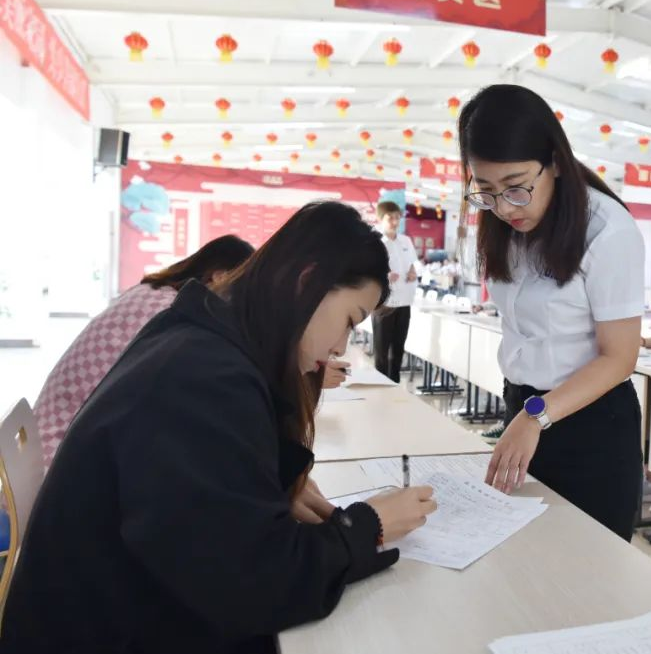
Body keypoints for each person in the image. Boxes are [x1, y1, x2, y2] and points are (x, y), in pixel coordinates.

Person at [0, 202, 437, 653]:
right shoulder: (204, 375)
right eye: (349, 321)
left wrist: (266, 482)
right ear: (306, 281)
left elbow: (207, 517)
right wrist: (367, 525)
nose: (341, 346)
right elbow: (254, 585)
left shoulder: (204, 339)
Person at [459, 84, 645, 542]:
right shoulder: (504, 223)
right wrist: (524, 414)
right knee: (520, 560)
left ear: (556, 162)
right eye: (486, 190)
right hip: (522, 411)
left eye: (516, 186)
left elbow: (619, 358)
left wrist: (536, 416)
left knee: (586, 565)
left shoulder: (607, 231)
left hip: (589, 426)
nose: (503, 207)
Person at [33, 235, 254, 468]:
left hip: (46, 441)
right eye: (240, 291)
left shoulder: (151, 293)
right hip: (62, 457)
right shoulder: (172, 312)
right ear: (220, 276)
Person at [373, 200, 418, 383]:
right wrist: (384, 275)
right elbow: (368, 271)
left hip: (404, 301)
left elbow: (412, 264)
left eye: (397, 217)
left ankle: (395, 385)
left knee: (398, 348)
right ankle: (380, 384)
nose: (394, 221)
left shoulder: (405, 240)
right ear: (380, 219)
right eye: (389, 218)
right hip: (385, 303)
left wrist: (413, 272)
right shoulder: (375, 242)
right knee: (381, 350)